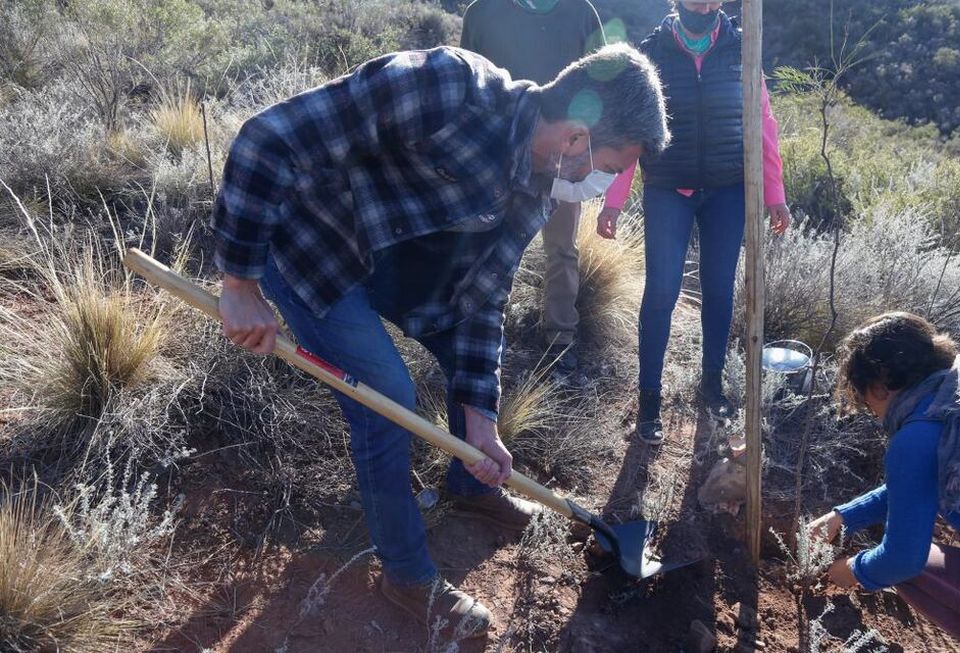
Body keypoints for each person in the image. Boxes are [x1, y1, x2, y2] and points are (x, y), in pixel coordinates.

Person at [211, 44, 668, 639]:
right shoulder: (448, 88)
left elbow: (482, 299)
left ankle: (465, 478)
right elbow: (267, 139)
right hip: (314, 248)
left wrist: (480, 417)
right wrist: (239, 283)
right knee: (389, 404)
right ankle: (404, 575)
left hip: (399, 264)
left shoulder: (535, 184)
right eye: (614, 163)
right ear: (577, 137)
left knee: (470, 368)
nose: (609, 180)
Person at [596, 0, 791, 444]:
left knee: (719, 290)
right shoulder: (654, 52)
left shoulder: (745, 48)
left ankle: (713, 387)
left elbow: (763, 124)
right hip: (669, 189)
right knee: (662, 292)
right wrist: (614, 200)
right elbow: (635, 129)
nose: (702, 5)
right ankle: (649, 400)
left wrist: (774, 195)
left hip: (728, 190)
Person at [808, 312, 960, 652]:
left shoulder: (918, 435)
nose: (867, 405)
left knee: (907, 570)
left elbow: (901, 559)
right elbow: (925, 477)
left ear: (880, 385)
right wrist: (845, 516)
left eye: (863, 393)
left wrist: (851, 569)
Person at [462, 0, 607, 375]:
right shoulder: (483, 12)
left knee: (561, 248)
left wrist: (583, 151)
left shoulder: (580, 13)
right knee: (483, 244)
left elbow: (602, 84)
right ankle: (473, 337)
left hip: (562, 157)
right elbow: (466, 85)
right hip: (497, 157)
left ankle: (560, 340)